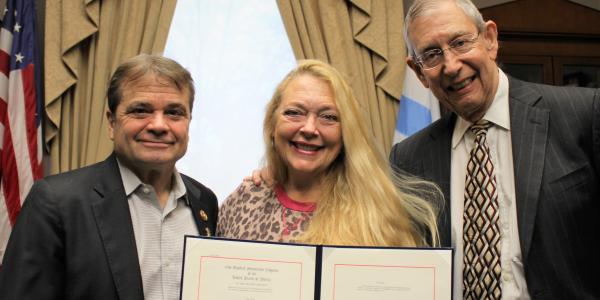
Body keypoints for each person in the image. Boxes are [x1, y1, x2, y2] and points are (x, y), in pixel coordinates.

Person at [391, 0, 600, 299]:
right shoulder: (408, 158)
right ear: (419, 72)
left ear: (490, 39)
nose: (451, 65)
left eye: (460, 43)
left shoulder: (583, 114)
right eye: (432, 55)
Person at [0, 54, 218, 300]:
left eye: (174, 113)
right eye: (140, 110)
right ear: (111, 122)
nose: (159, 125)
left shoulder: (204, 202)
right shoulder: (56, 202)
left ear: (189, 122)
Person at [218, 59, 440, 247]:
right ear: (272, 124)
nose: (309, 129)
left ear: (347, 132)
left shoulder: (379, 218)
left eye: (328, 117)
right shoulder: (244, 200)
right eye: (294, 113)